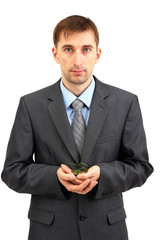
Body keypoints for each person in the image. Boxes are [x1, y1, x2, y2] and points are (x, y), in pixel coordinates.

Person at [1, 15, 153, 240]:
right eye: (69, 49)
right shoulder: (31, 105)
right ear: (56, 54)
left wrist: (103, 174)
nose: (78, 61)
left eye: (86, 49)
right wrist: (55, 177)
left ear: (97, 54)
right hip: (49, 231)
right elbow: (13, 171)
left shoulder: (125, 103)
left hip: (107, 230)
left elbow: (141, 167)